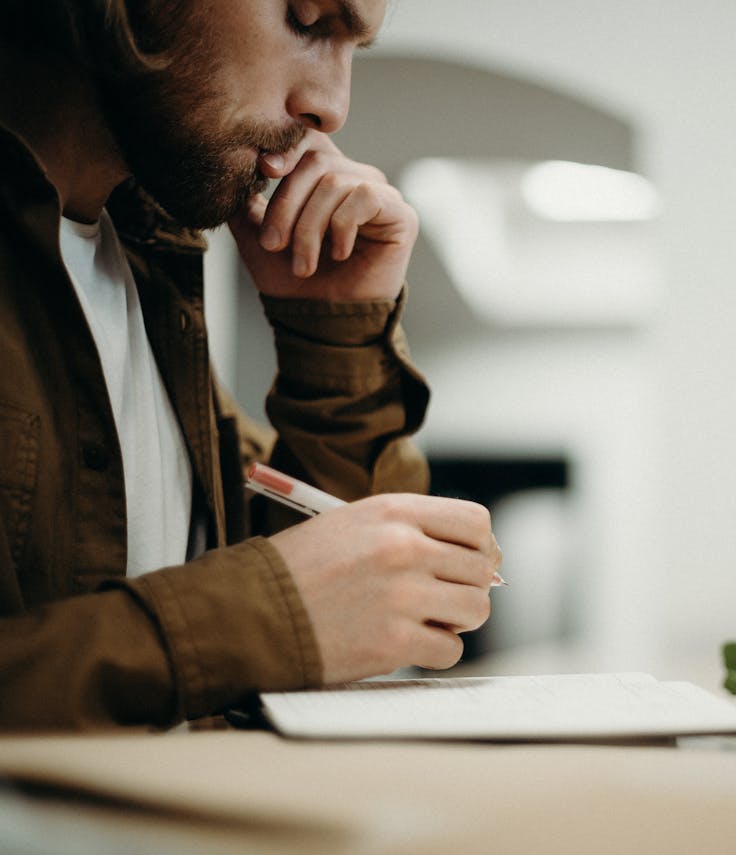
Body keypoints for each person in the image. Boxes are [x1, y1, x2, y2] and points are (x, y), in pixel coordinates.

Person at [0, 0, 501, 729]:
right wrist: (262, 616)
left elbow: (342, 597)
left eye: (353, 45)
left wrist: (333, 335)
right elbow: (278, 603)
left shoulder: (149, 273)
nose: (333, 106)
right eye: (307, 21)